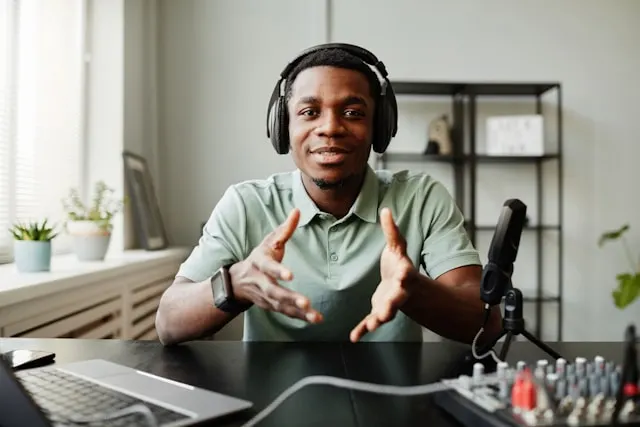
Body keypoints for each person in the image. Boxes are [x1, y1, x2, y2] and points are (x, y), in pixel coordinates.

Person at [155, 43, 502, 345]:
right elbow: (168, 323)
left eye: (352, 113)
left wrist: (415, 290)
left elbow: (487, 324)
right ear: (283, 128)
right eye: (309, 112)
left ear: (379, 128)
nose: (331, 127)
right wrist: (236, 283)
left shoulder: (422, 198)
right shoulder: (246, 204)